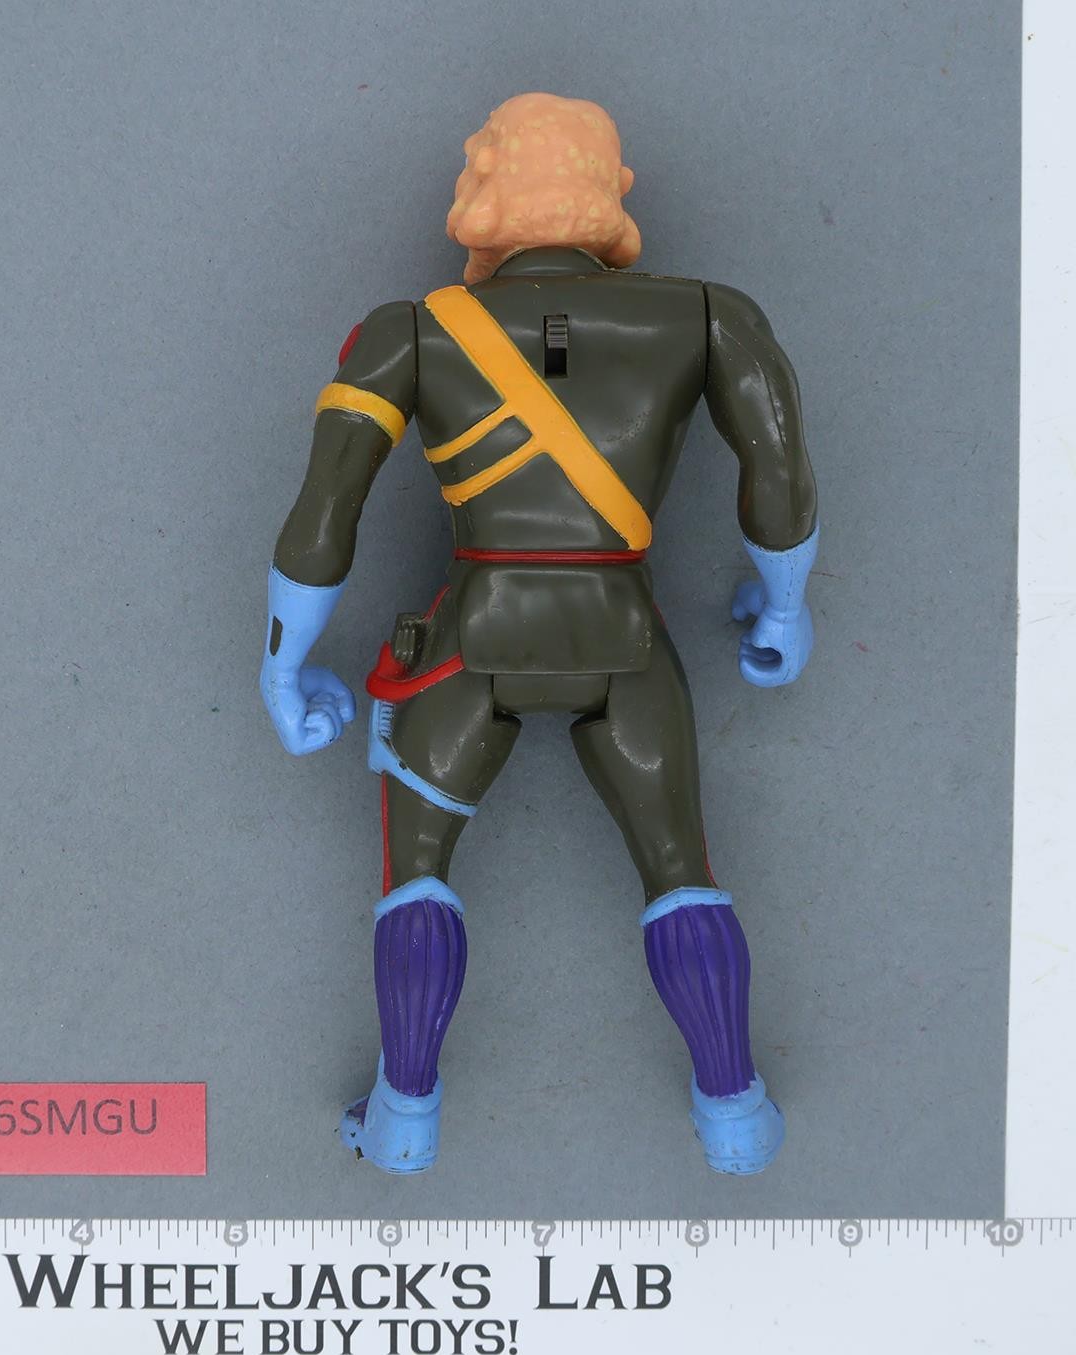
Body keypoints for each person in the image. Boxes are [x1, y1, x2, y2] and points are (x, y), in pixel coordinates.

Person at [260, 93, 818, 1177]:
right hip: (624, 633)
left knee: (417, 871)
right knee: (680, 866)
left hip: (469, 637)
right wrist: (786, 604)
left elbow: (325, 510)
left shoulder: (407, 332)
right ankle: (734, 1113)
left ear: (481, 188)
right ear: (609, 189)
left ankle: (404, 1117)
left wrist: (284, 662)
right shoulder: (708, 316)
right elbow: (781, 467)